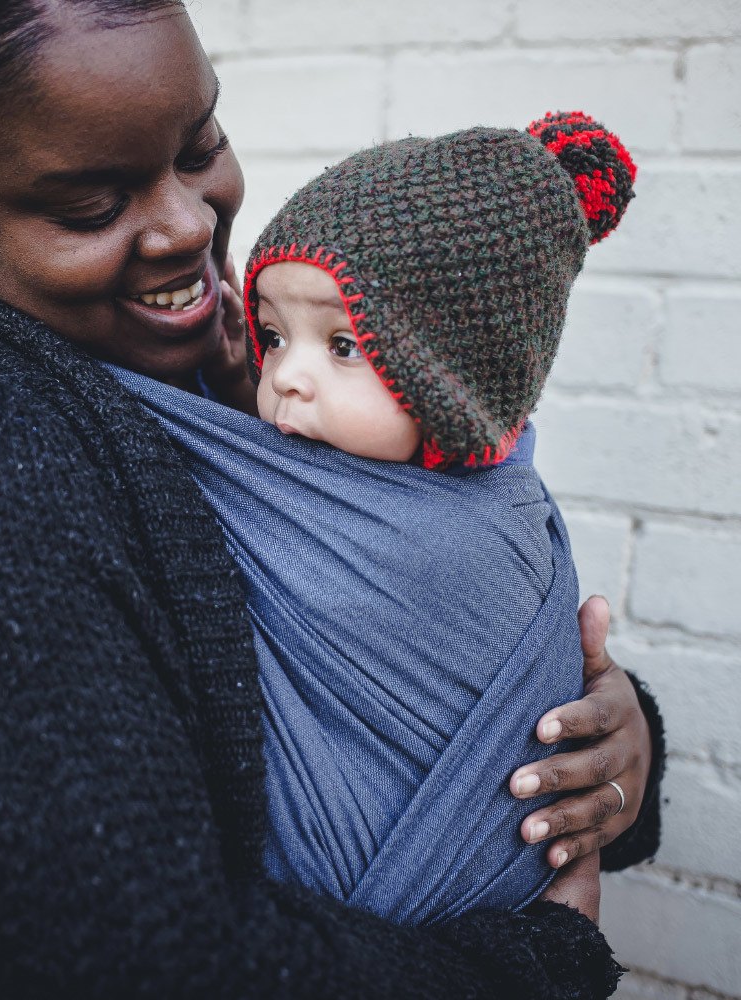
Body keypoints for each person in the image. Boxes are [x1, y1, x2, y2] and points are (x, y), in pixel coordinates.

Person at [0, 2, 664, 996]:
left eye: (200, 145)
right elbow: (130, 958)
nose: (188, 223)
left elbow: (411, 632)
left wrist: (603, 748)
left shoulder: (241, 376)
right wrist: (538, 964)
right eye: (93, 204)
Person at [102, 113, 638, 926]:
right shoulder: (263, 463)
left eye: (345, 345)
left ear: (456, 379)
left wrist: (632, 730)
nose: (287, 379)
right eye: (274, 337)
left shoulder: (482, 529)